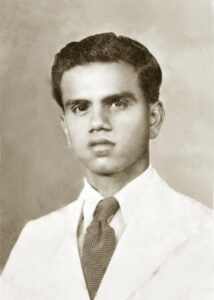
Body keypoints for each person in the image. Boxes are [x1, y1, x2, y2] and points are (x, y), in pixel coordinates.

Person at [0, 32, 214, 300]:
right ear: (66, 128)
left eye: (117, 103)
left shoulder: (205, 233)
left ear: (154, 118)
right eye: (80, 107)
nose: (98, 122)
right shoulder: (35, 240)